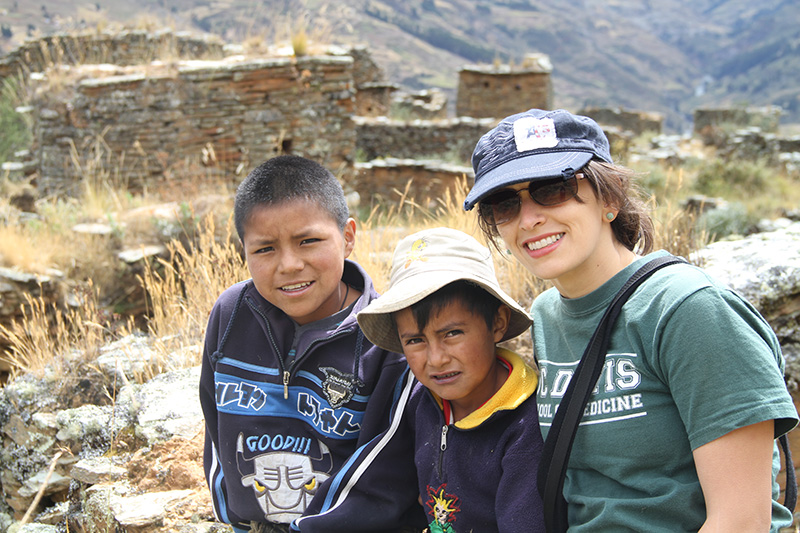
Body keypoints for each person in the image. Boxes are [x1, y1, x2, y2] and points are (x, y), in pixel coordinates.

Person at [462, 107, 799, 532]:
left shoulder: (687, 309)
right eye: (504, 204)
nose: (529, 219)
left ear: (610, 198)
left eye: (552, 189)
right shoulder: (549, 315)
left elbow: (742, 520)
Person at [199, 155, 414, 533]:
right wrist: (234, 513)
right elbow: (216, 428)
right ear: (243, 251)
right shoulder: (231, 315)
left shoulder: (384, 338)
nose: (289, 264)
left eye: (308, 241)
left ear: (348, 237)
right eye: (265, 249)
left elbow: (384, 470)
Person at [293, 227, 546, 533]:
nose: (436, 359)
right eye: (415, 340)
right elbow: (378, 483)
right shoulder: (419, 401)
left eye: (452, 333)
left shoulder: (525, 427)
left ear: (497, 323)